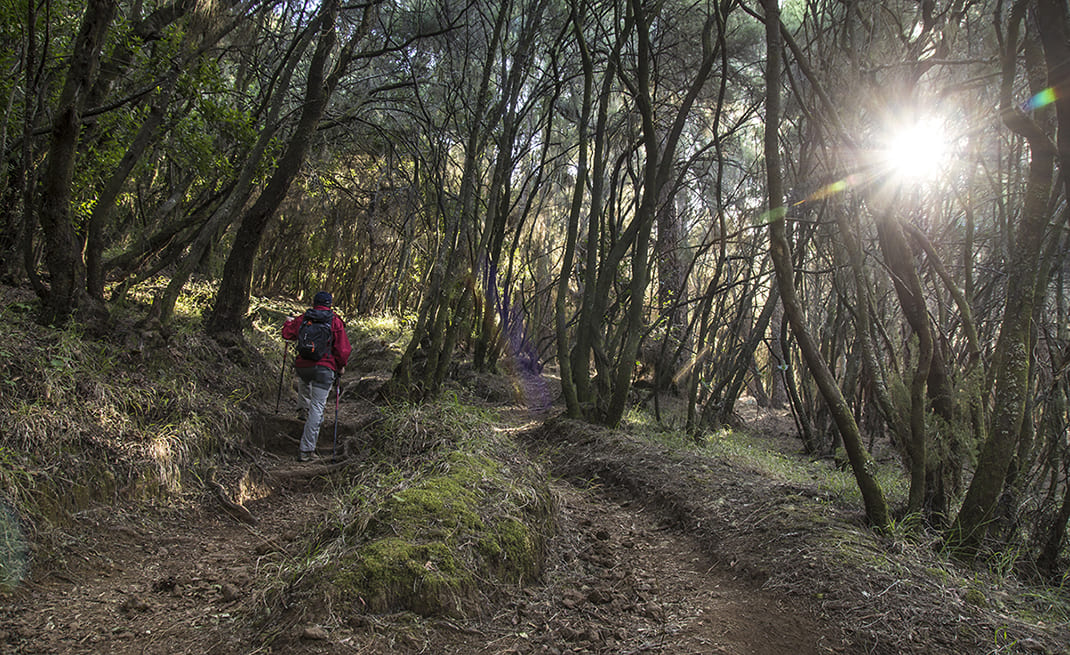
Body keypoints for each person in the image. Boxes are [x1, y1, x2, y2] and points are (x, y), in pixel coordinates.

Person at [282, 291, 351, 461]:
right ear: (330, 304)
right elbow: (343, 350)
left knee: (305, 380)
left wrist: (287, 323)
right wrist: (341, 367)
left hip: (303, 366)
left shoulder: (304, 318)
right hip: (324, 369)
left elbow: (287, 335)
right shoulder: (334, 321)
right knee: (318, 406)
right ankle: (306, 451)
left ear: (314, 302)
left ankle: (302, 409)